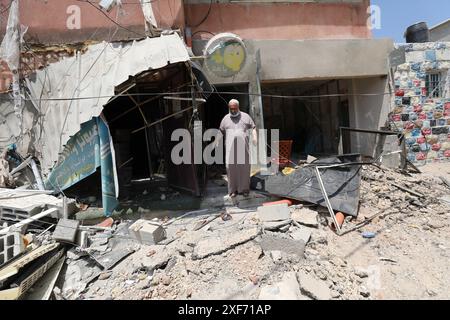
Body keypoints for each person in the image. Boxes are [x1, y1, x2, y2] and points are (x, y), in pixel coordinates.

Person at [217, 99, 257, 198]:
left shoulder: (246, 116)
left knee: (244, 168)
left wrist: (255, 137)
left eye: (235, 108)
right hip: (230, 150)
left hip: (243, 148)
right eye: (231, 109)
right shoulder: (226, 118)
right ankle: (233, 190)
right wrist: (217, 141)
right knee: (231, 169)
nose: (233, 111)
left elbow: (253, 127)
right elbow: (220, 130)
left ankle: (244, 190)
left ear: (238, 107)